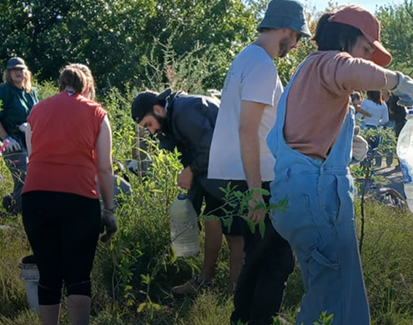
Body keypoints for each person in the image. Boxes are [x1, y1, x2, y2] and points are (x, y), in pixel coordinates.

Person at [264, 5, 413, 324]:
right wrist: (399, 81)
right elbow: (350, 69)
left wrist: (344, 147)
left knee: (341, 292)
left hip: (296, 193)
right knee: (331, 296)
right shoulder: (330, 61)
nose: (365, 61)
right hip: (313, 194)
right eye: (365, 50)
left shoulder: (309, 70)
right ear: (346, 38)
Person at [207, 0, 309, 323]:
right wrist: (255, 191)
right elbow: (247, 130)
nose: (294, 46)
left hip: (238, 174)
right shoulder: (262, 65)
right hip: (255, 179)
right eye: (296, 38)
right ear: (286, 29)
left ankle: (242, 320)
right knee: (277, 261)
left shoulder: (245, 57)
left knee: (257, 258)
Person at [20, 63, 117, 325]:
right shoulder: (96, 112)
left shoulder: (37, 109)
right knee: (78, 276)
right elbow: (105, 168)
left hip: (36, 198)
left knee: (49, 274)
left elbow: (32, 156)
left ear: (61, 85)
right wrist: (109, 211)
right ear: (88, 87)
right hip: (78, 198)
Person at [130, 88, 245, 295]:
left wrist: (190, 171)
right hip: (216, 171)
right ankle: (205, 281)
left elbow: (210, 146)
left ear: (157, 109)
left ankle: (235, 291)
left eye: (148, 124)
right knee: (211, 218)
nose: (152, 132)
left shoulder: (186, 110)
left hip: (235, 169)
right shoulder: (171, 117)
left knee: (234, 232)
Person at [0, 57, 40, 215]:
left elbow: (39, 115)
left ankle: (15, 205)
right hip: (13, 140)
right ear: (8, 73)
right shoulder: (4, 90)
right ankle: (16, 214)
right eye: (14, 69)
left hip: (31, 139)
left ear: (26, 72)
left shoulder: (31, 92)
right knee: (23, 178)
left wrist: (31, 127)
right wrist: (5, 138)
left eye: (21, 69)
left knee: (36, 177)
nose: (18, 72)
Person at [358, 90, 389, 167]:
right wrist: (378, 123)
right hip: (376, 128)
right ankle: (372, 167)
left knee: (365, 149)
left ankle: (365, 167)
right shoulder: (383, 104)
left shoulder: (365, 102)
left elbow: (359, 116)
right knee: (374, 149)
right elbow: (386, 120)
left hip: (365, 127)